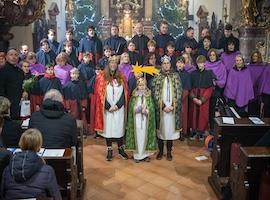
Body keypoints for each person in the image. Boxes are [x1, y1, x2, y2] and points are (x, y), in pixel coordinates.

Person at [1, 128, 62, 199]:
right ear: (39, 146)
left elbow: (2, 194)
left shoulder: (7, 170)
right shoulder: (47, 170)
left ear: (21, 144)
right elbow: (55, 196)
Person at [94, 55, 129, 161]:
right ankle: (109, 149)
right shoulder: (101, 76)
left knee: (119, 129)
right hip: (107, 109)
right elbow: (99, 94)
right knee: (108, 130)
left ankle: (120, 148)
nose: (113, 65)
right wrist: (108, 106)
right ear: (108, 64)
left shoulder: (121, 76)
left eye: (115, 63)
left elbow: (125, 93)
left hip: (119, 109)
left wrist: (118, 105)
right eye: (111, 63)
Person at [151, 55, 182, 161]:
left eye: (167, 63)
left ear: (170, 64)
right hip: (162, 109)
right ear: (161, 65)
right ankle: (160, 151)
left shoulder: (175, 76)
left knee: (170, 131)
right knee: (161, 130)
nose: (166, 65)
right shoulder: (157, 77)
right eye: (164, 63)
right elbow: (155, 93)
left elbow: (179, 92)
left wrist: (173, 105)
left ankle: (169, 152)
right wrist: (163, 106)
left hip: (172, 109)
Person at [126, 78, 156, 162]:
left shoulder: (148, 97)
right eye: (140, 85)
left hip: (146, 121)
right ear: (137, 86)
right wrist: (137, 109)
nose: (141, 87)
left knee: (144, 136)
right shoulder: (134, 97)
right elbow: (131, 107)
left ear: (146, 86)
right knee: (138, 136)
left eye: (143, 85)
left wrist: (146, 111)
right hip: (136, 121)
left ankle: (145, 155)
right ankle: (137, 155)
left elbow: (152, 109)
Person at [189, 55, 215, 140]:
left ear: (205, 63)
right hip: (195, 97)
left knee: (203, 116)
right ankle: (194, 131)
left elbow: (210, 89)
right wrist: (194, 98)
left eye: (202, 63)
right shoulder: (193, 74)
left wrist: (202, 100)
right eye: (199, 63)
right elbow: (190, 88)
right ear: (196, 63)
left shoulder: (209, 74)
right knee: (193, 115)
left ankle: (201, 132)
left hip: (204, 99)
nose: (200, 65)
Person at [205, 49, 227, 134]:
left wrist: (216, 82)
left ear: (216, 56)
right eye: (210, 55)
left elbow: (223, 80)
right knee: (205, 109)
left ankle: (212, 128)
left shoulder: (221, 66)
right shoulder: (205, 65)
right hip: (206, 90)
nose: (212, 57)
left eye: (214, 55)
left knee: (212, 110)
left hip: (216, 91)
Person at [0, 48, 25, 119]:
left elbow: (23, 85)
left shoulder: (20, 71)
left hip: (20, 103)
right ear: (7, 57)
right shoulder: (2, 71)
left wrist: (25, 91)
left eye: (16, 55)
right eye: (11, 55)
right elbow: (1, 89)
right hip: (8, 106)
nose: (14, 57)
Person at [63, 68, 88, 132]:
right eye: (73, 74)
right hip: (72, 105)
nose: (74, 75)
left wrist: (84, 105)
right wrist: (68, 107)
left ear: (78, 75)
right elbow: (66, 98)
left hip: (80, 103)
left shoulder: (82, 84)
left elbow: (84, 95)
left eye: (76, 74)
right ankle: (73, 131)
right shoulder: (67, 86)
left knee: (82, 118)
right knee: (73, 118)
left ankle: (83, 131)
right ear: (70, 75)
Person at [247, 50, 268, 116]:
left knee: (257, 111)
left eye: (256, 56)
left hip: (258, 91)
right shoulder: (248, 67)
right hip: (249, 90)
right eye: (253, 56)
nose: (254, 57)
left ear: (259, 57)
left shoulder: (263, 67)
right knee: (250, 111)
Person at [176, 57, 192, 139]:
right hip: (174, 99)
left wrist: (180, 98)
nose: (180, 64)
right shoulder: (173, 74)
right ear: (176, 64)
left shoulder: (187, 75)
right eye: (178, 62)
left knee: (182, 116)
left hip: (183, 99)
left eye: (181, 63)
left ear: (184, 64)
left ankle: (182, 133)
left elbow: (187, 89)